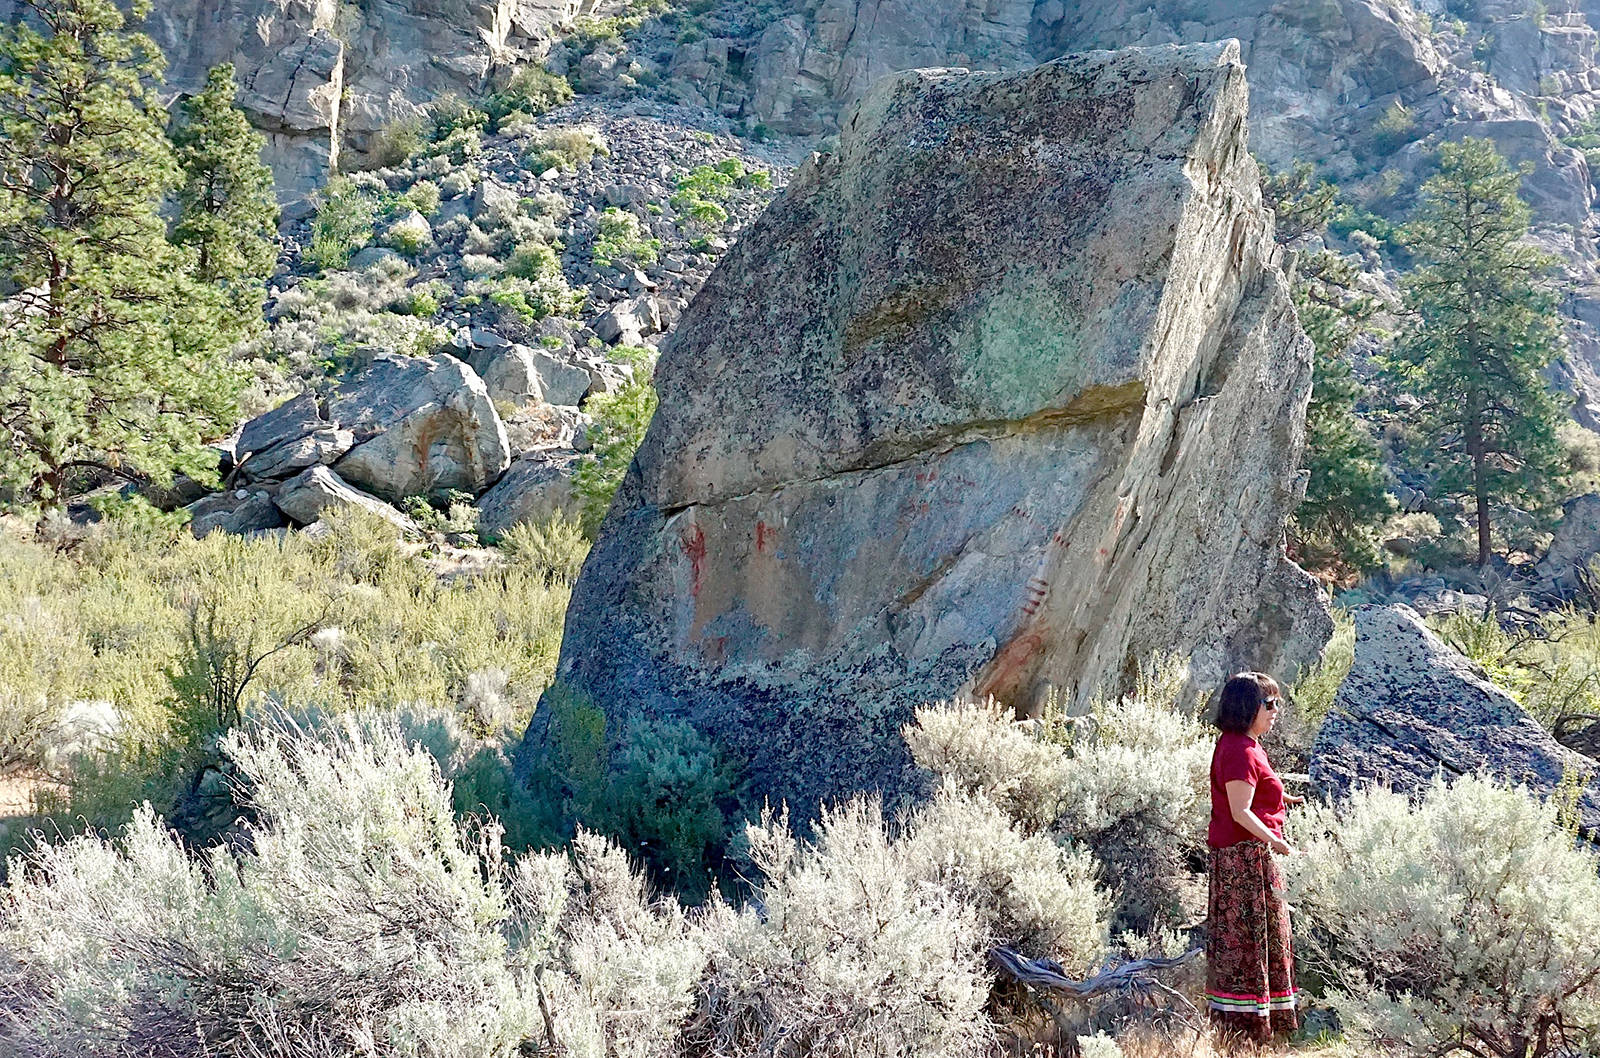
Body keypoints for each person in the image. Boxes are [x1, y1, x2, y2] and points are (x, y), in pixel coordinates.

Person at [1204, 671, 1303, 1047]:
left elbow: (1254, 795)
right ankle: (1242, 1035)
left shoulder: (1248, 745)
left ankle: (1255, 1034)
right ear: (1248, 707)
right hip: (1244, 863)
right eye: (1270, 703)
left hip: (1251, 858)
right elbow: (1240, 811)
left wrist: (1282, 800)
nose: (1276, 711)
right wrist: (1278, 842)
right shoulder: (1238, 750)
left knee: (1257, 943)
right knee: (1247, 945)